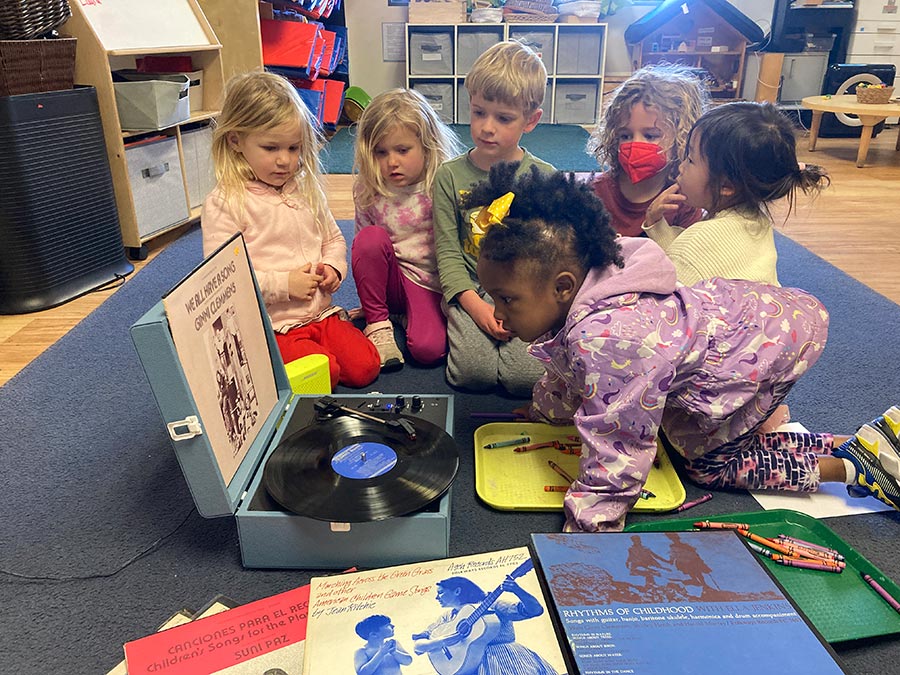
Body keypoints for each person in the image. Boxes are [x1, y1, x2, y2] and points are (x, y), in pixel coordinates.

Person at [470, 164, 900, 533]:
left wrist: (589, 529)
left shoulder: (606, 339)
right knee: (680, 438)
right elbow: (567, 374)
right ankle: (867, 443)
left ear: (563, 287)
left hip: (759, 349)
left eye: (506, 299)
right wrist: (546, 414)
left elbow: (618, 448)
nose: (497, 312)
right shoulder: (585, 281)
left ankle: (856, 467)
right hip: (750, 321)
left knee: (708, 463)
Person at [201, 71, 379, 389]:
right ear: (235, 140)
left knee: (366, 366)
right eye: (271, 148)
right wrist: (285, 284)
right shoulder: (226, 201)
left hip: (321, 314)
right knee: (326, 373)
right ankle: (267, 362)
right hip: (273, 325)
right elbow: (225, 279)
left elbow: (333, 238)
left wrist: (333, 269)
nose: (285, 161)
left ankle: (314, 353)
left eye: (294, 148)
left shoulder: (305, 188)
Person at [432, 41, 555, 396]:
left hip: (525, 291)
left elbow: (548, 258)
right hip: (472, 287)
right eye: (478, 112)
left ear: (531, 120)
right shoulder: (448, 176)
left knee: (523, 380)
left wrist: (520, 304)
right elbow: (449, 255)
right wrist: (477, 307)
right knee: (472, 374)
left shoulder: (544, 177)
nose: (487, 127)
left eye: (503, 118)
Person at [643, 101, 831, 286]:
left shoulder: (699, 241)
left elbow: (672, 295)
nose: (681, 167)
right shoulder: (755, 220)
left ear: (726, 186)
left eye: (690, 159)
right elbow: (692, 259)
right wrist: (656, 223)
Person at [351, 88, 463, 370]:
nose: (392, 162)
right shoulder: (368, 188)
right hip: (388, 278)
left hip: (427, 280)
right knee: (369, 239)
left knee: (428, 351)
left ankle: (401, 315)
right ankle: (379, 322)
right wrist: (372, 302)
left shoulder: (441, 183)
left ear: (427, 146)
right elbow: (363, 251)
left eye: (402, 150)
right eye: (381, 152)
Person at [587, 64, 708, 237]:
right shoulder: (597, 191)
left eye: (651, 136)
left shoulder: (683, 200)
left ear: (682, 139)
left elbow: (684, 258)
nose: (636, 144)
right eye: (625, 136)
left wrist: (655, 223)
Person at [412, 575, 558, 675]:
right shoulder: (447, 618)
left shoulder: (491, 605)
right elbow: (419, 643)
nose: (437, 597)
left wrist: (516, 590)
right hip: (469, 666)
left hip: (506, 660)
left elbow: (534, 610)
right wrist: (441, 642)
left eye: (441, 593)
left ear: (457, 591)